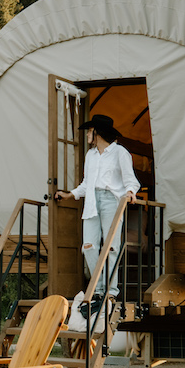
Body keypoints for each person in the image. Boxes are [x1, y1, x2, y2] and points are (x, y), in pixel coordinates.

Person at [54, 114, 140, 304]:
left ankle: (111, 290)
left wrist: (130, 192)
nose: (87, 136)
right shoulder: (90, 155)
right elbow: (87, 184)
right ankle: (98, 287)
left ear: (97, 133)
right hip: (92, 200)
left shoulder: (120, 153)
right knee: (89, 247)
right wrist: (71, 194)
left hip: (111, 200)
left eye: (89, 132)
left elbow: (130, 180)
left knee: (111, 247)